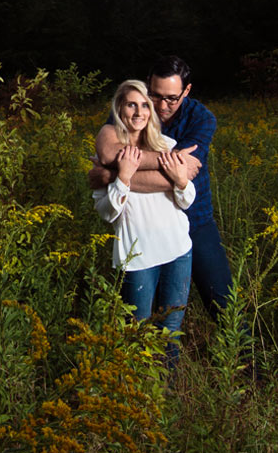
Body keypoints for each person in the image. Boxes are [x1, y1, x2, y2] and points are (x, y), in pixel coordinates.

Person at [90, 57, 236, 343]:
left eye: (171, 98)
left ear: (186, 91)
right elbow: (108, 152)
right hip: (145, 230)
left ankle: (247, 366)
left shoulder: (201, 118)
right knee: (145, 316)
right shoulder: (136, 107)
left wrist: (114, 176)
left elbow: (183, 174)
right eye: (155, 95)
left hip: (195, 217)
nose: (161, 106)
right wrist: (165, 163)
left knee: (222, 300)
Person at [92, 80, 199, 365]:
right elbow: (106, 213)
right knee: (136, 332)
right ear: (119, 109)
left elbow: (187, 200)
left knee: (171, 331)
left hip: (178, 250)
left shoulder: (168, 147)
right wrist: (122, 178)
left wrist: (178, 180)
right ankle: (138, 396)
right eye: (131, 105)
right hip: (136, 257)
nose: (139, 112)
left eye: (144, 105)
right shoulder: (107, 159)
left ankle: (167, 393)